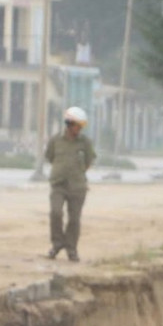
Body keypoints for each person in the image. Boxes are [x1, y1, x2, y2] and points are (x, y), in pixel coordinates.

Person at [45, 106, 96, 262]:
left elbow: (89, 161)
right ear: (68, 123)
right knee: (56, 213)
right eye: (77, 125)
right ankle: (57, 243)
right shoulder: (55, 140)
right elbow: (50, 157)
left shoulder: (85, 142)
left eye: (81, 126)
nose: (79, 129)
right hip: (58, 185)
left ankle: (71, 248)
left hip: (77, 187)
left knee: (74, 219)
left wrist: (76, 173)